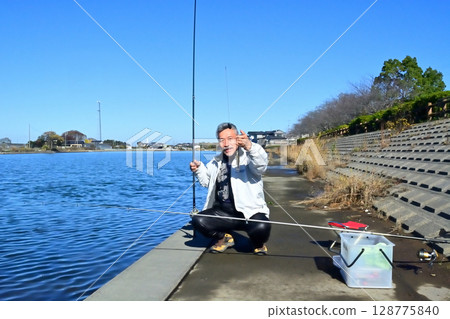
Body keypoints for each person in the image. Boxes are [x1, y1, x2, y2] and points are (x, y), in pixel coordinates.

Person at [189, 122, 271, 255]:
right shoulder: (215, 162)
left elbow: (261, 166)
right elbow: (206, 183)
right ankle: (224, 238)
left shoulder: (248, 156)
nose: (226, 143)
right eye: (222, 140)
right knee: (198, 220)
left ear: (238, 138)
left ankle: (258, 243)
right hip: (223, 214)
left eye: (230, 139)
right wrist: (199, 169)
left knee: (262, 227)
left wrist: (250, 146)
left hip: (250, 213)